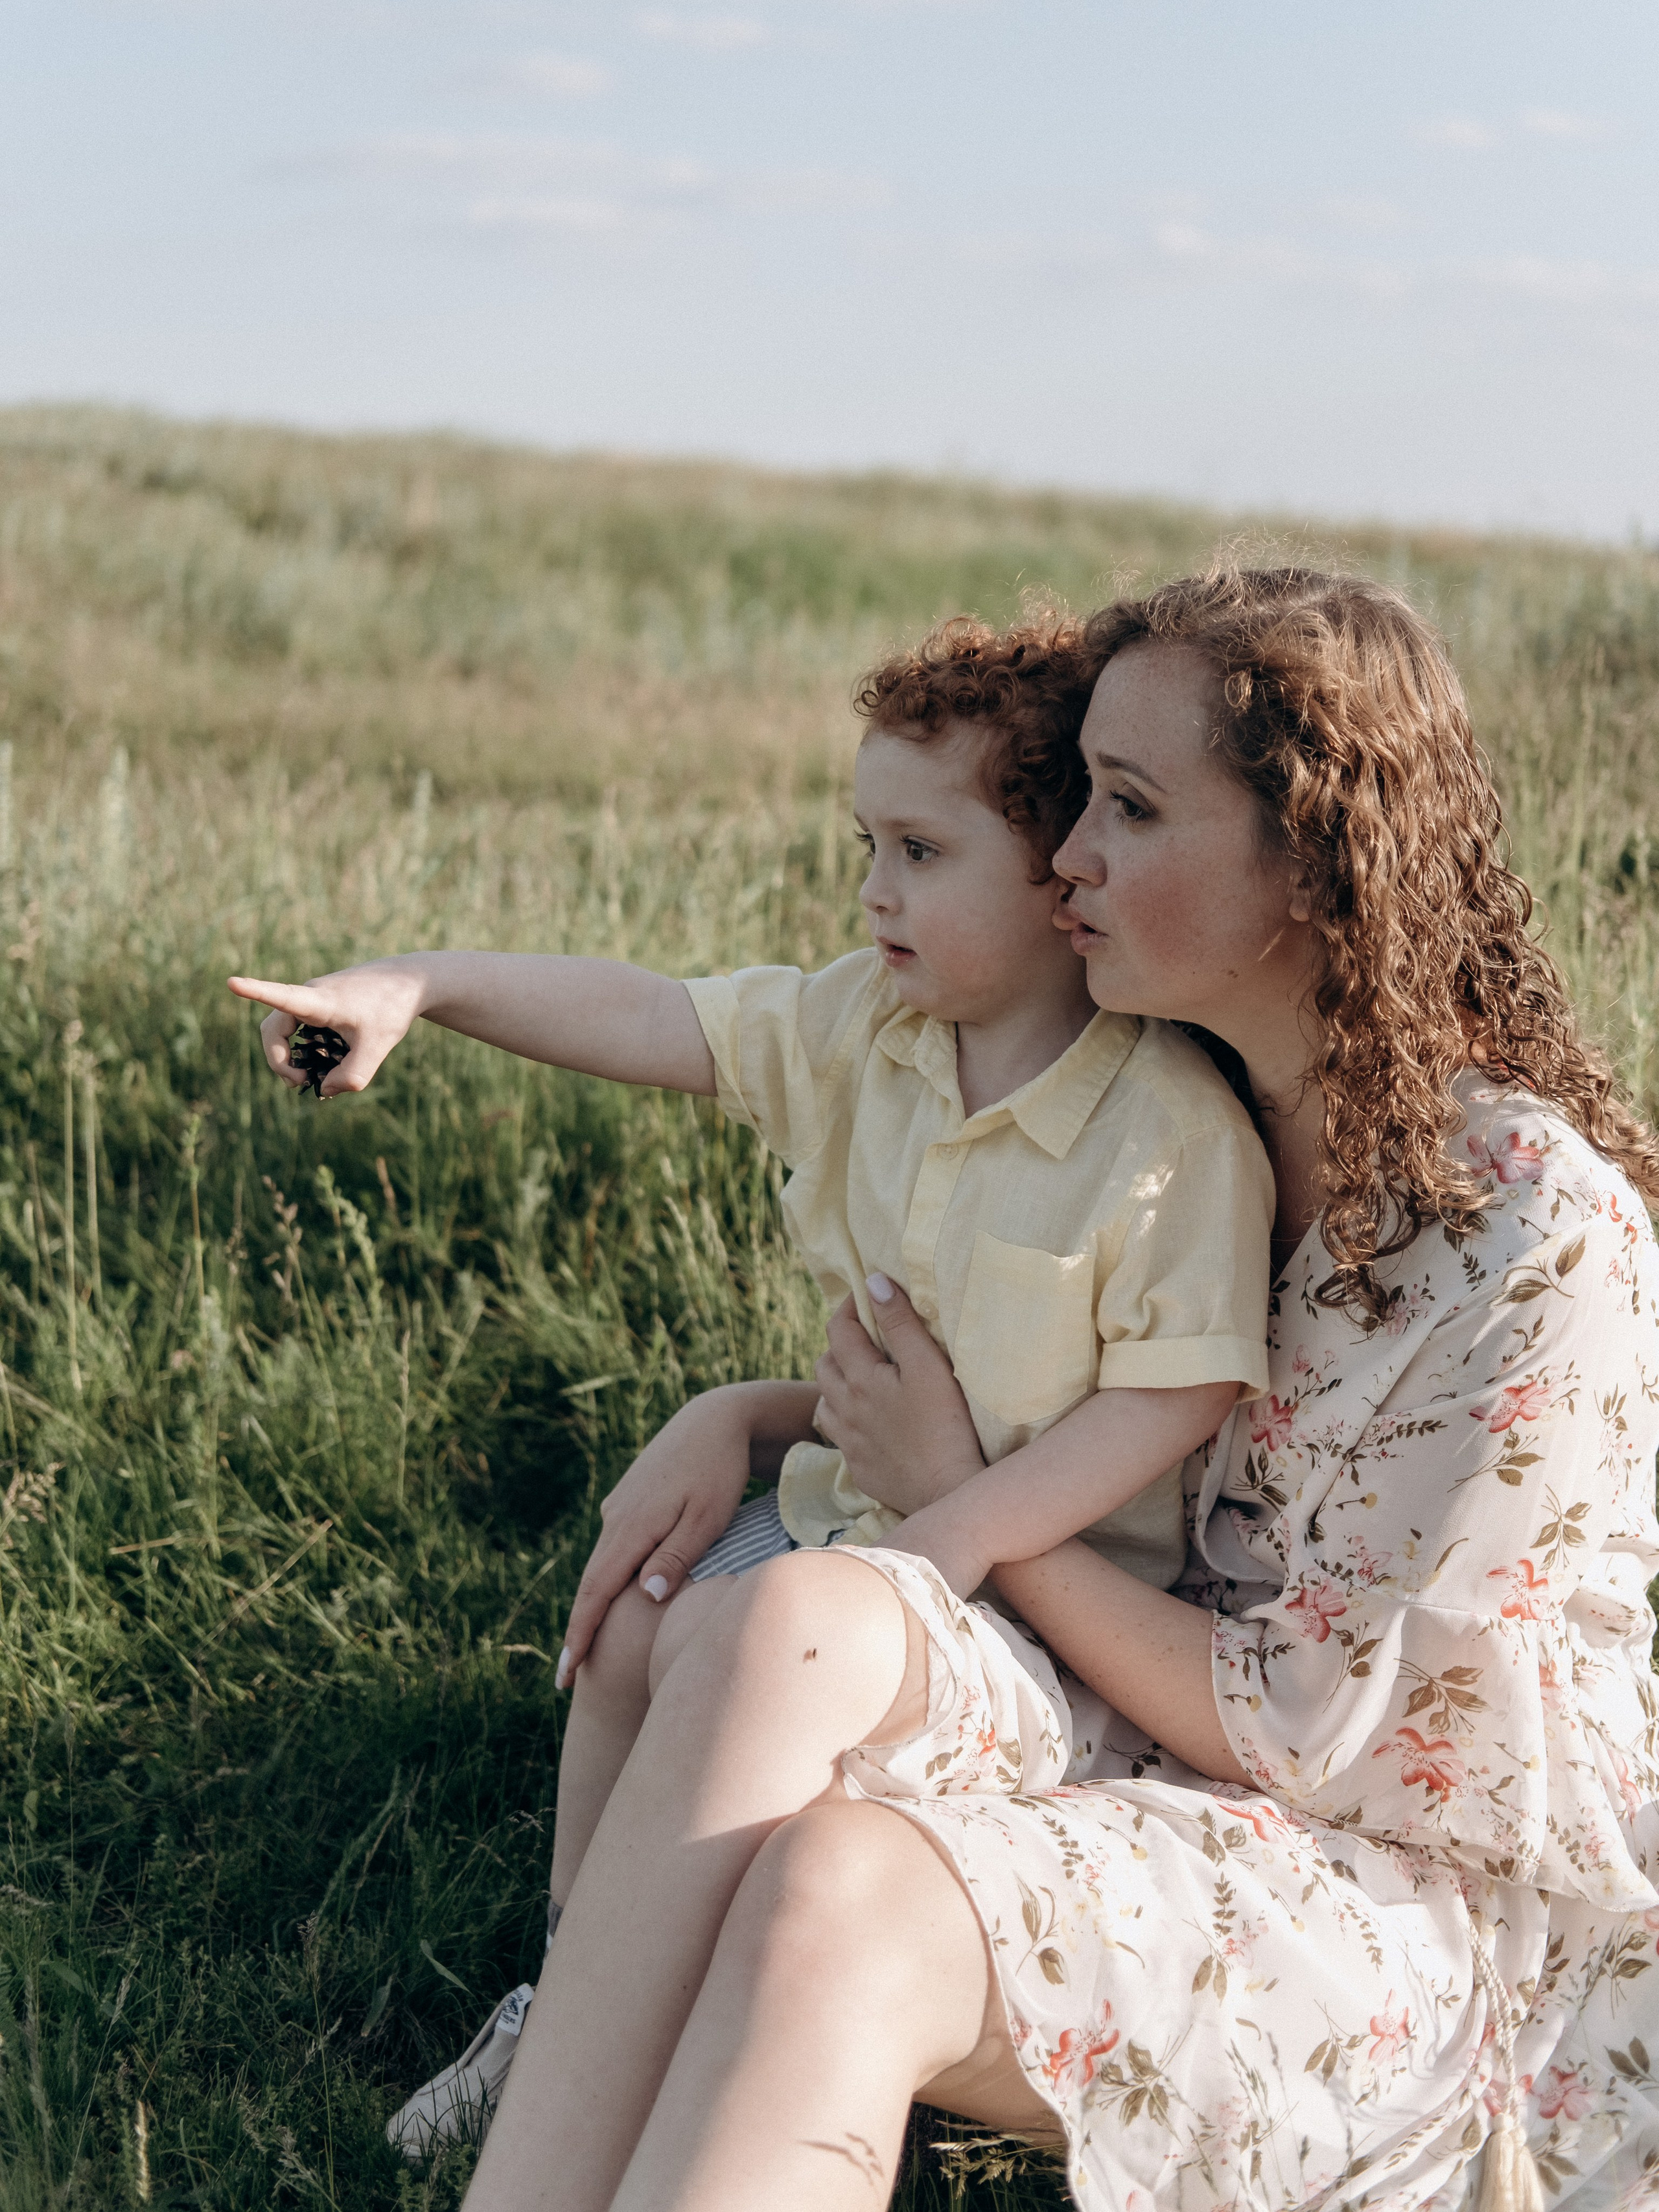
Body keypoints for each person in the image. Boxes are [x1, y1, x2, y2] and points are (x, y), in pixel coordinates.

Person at [456, 566, 1659, 2212]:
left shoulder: (1531, 1234)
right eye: (1075, 794)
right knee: (766, 1623)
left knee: (838, 1893)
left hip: (1395, 1899)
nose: (1065, 855)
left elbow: (1325, 1738)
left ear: (1311, 858)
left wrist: (971, 1511)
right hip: (1125, 1726)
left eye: (1129, 807)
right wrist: (744, 1416)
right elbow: (1047, 1406)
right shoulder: (1167, 1109)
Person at [226, 613, 1275, 2147]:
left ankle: (700, 2016)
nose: (872, 889)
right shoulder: (871, 1026)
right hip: (849, 1534)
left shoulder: (1165, 1133)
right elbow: (656, 1015)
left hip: (1028, 1617)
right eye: (867, 842)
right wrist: (420, 985)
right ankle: (576, 1983)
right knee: (642, 1608)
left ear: (1060, 882)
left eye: (920, 851)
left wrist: (955, 1534)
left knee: (735, 1633)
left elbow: (1168, 1398)